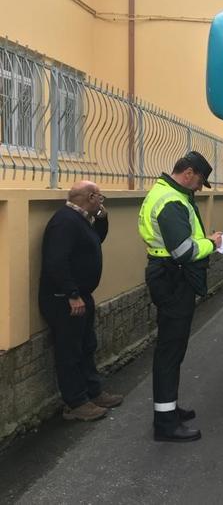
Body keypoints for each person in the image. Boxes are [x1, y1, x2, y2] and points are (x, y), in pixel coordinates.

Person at [138, 151, 222, 442]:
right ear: (188, 174)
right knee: (169, 352)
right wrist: (211, 244)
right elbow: (184, 252)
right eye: (200, 181)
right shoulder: (172, 201)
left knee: (173, 350)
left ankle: (169, 410)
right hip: (173, 278)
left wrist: (203, 240)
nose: (200, 188)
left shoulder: (169, 194)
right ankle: (164, 424)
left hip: (169, 276)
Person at [39, 181, 123, 422]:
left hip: (80, 295)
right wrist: (72, 294)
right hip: (64, 300)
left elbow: (95, 240)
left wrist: (103, 218)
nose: (102, 201)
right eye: (100, 198)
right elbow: (56, 261)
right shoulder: (64, 222)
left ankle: (93, 392)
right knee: (70, 351)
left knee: (87, 345)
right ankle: (75, 403)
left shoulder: (80, 220)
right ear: (90, 197)